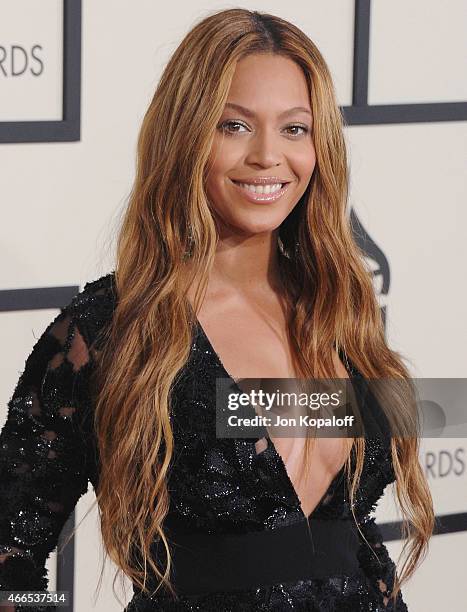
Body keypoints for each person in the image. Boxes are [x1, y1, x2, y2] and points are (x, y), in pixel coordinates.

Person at [0, 8, 434, 612]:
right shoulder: (107, 329)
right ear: (185, 135)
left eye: (294, 128)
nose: (266, 156)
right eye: (233, 125)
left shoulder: (339, 309)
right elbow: (11, 559)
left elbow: (332, 523)